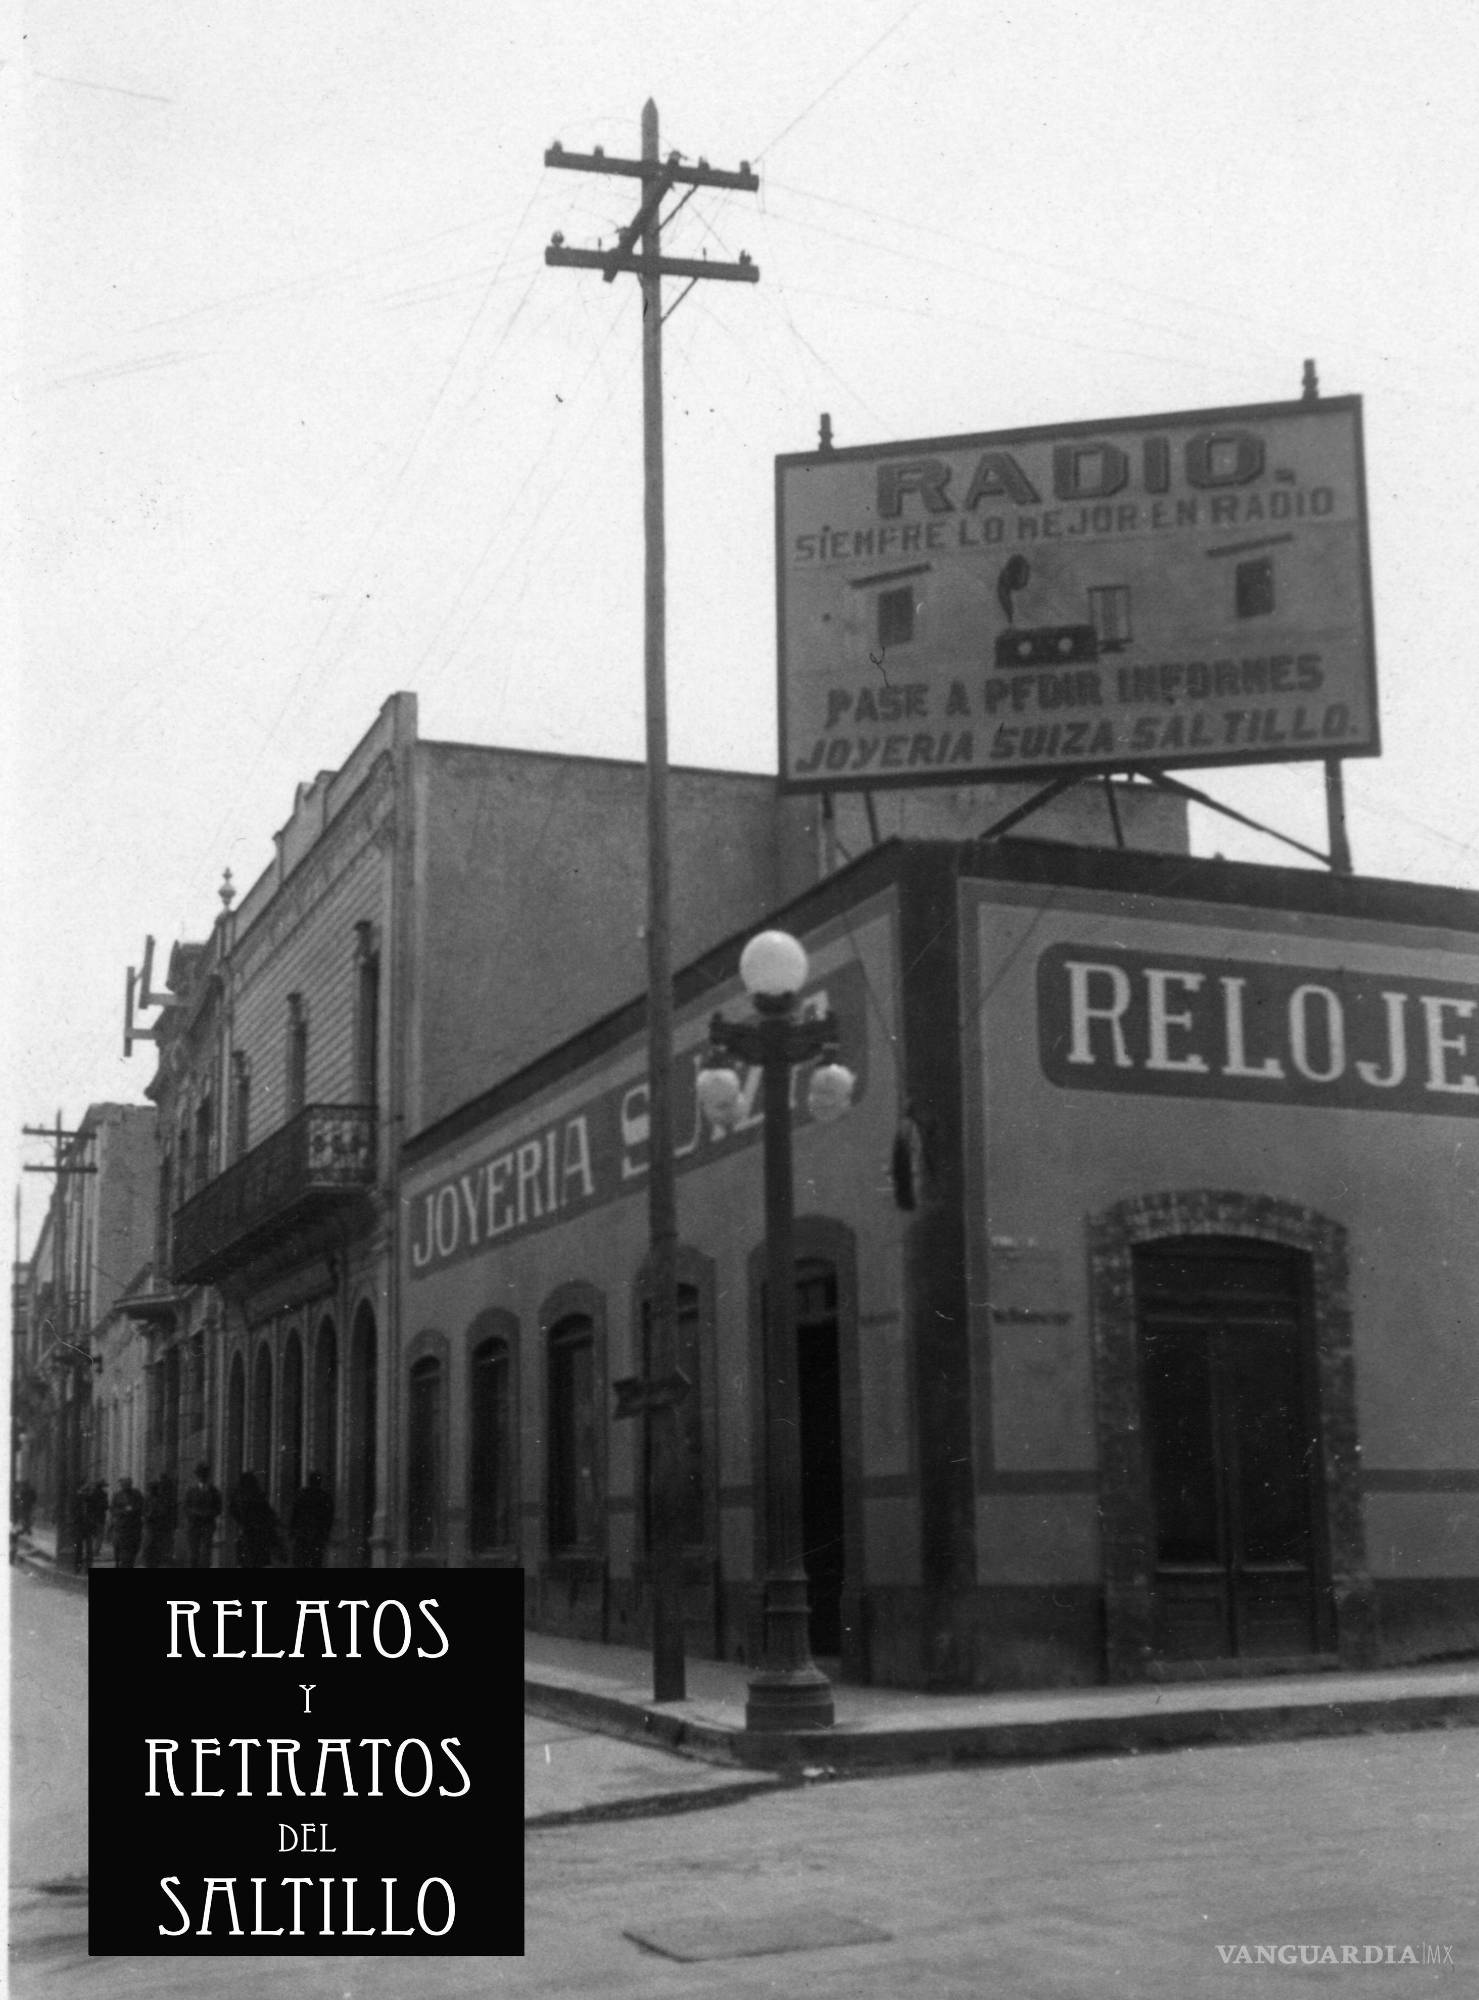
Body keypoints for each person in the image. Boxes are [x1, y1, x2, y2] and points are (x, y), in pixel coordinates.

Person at [230, 1471, 284, 1568]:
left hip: (247, 1538)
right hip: (259, 1539)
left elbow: (235, 1513)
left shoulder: (239, 1499)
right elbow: (269, 1514)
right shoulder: (258, 1499)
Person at [289, 1471, 334, 1568]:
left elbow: (294, 1514)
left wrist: (292, 1531)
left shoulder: (302, 1495)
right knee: (316, 1561)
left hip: (303, 1533)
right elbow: (329, 1518)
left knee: (301, 1561)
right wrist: (326, 1533)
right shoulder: (325, 1497)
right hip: (317, 1534)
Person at [183, 1463, 223, 1567]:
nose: (203, 1477)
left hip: (207, 1524)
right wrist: (194, 1512)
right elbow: (185, 1507)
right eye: (201, 1474)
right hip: (193, 1525)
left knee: (206, 1553)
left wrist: (209, 1513)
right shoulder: (191, 1491)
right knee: (193, 1553)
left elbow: (218, 1508)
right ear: (197, 1476)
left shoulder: (214, 1491)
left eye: (205, 1474)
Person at [109, 1478, 145, 1569]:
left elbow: (142, 1506)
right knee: (123, 1548)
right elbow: (113, 1509)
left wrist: (133, 1509)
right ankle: (123, 1565)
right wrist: (123, 1511)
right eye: (124, 1485)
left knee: (134, 1548)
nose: (126, 1487)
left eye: (128, 1484)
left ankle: (128, 1564)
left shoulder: (137, 1494)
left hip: (135, 1526)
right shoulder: (117, 1495)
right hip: (122, 1526)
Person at [142, 1479, 175, 1567]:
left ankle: (156, 1563)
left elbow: (164, 1512)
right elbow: (143, 1512)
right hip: (149, 1526)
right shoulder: (147, 1499)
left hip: (159, 1527)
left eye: (154, 1488)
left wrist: (155, 1513)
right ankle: (149, 1563)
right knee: (148, 1546)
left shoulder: (162, 1499)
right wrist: (147, 1515)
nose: (152, 1490)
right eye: (151, 1489)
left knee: (158, 1547)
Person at [73, 1481, 98, 1571]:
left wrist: (94, 1525)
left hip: (88, 1526)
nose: (86, 1493)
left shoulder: (91, 1500)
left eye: (87, 1491)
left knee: (88, 1548)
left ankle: (88, 1566)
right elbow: (74, 1511)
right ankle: (78, 1565)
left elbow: (95, 1512)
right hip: (80, 1525)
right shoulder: (77, 1500)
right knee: (79, 1547)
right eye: (84, 1490)